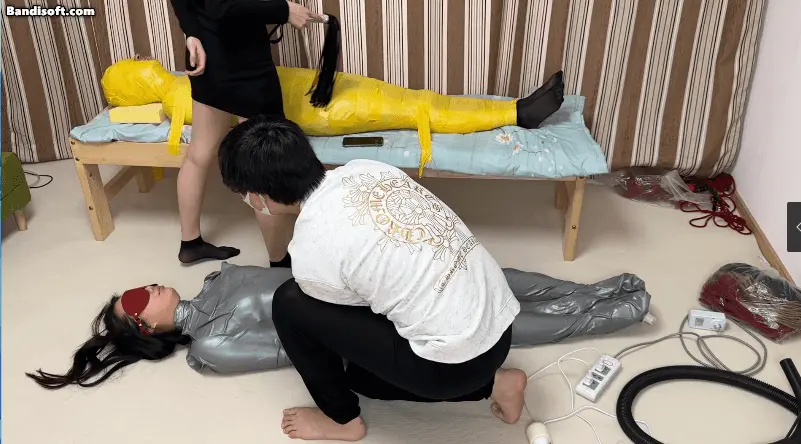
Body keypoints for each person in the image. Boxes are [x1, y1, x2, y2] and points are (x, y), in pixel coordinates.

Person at [216, 117, 530, 441]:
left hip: (452, 367)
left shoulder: (309, 251)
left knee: (289, 304)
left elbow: (354, 310)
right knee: (363, 379)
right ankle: (497, 383)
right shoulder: (367, 168)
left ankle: (344, 422)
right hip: (502, 325)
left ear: (259, 197)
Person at [26, 262, 651, 386]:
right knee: (491, 326)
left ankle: (596, 291)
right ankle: (618, 314)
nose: (151, 287)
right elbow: (296, 351)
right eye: (140, 300)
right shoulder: (211, 347)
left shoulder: (217, 279)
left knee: (490, 278)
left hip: (368, 285)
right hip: (370, 328)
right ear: (146, 328)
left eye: (141, 287)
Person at [169, 0, 327, 267]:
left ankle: (190, 243)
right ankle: (279, 260)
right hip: (242, 61)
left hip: (208, 52)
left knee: (199, 154)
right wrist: (284, 10)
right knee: (267, 164)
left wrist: (192, 32)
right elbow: (223, 6)